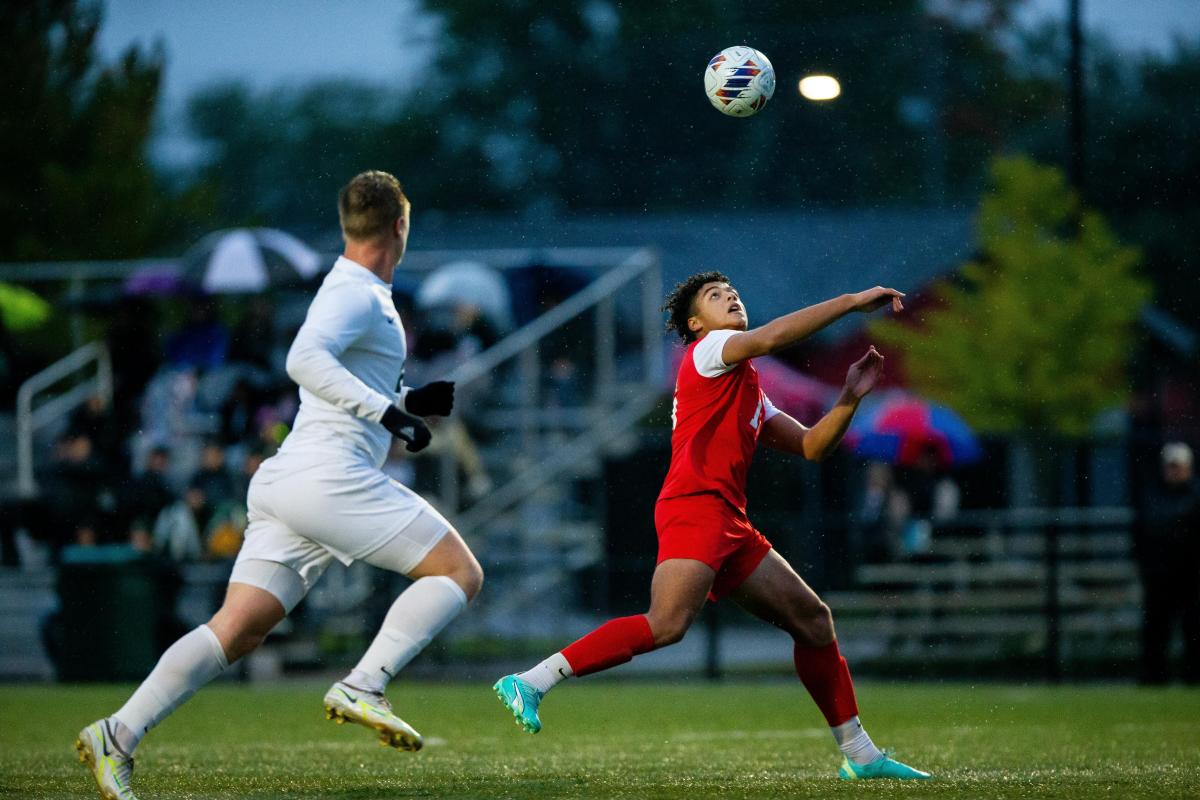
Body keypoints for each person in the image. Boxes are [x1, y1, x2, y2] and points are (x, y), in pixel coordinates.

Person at [76, 171, 484, 800]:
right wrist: (389, 414)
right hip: (328, 478)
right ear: (400, 226)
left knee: (238, 629)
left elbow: (328, 379)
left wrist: (406, 397)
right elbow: (303, 360)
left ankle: (117, 734)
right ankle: (364, 685)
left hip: (292, 478)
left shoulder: (351, 287)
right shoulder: (358, 295)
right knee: (458, 574)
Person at [494, 272, 931, 781]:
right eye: (716, 296)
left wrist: (850, 396)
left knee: (813, 622)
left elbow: (813, 447)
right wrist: (852, 300)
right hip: (695, 507)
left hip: (729, 519)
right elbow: (769, 339)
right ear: (696, 324)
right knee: (667, 624)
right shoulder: (710, 349)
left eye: (734, 292)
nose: (732, 297)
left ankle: (860, 755)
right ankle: (532, 680)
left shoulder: (747, 385)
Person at [1135, 442, 1200, 684]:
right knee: (1156, 630)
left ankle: (1193, 677)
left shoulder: (1194, 495)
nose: (1174, 472)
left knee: (1193, 629)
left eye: (1178, 467)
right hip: (1159, 574)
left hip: (1191, 575)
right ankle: (1154, 678)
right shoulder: (1152, 494)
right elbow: (1142, 533)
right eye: (1171, 466)